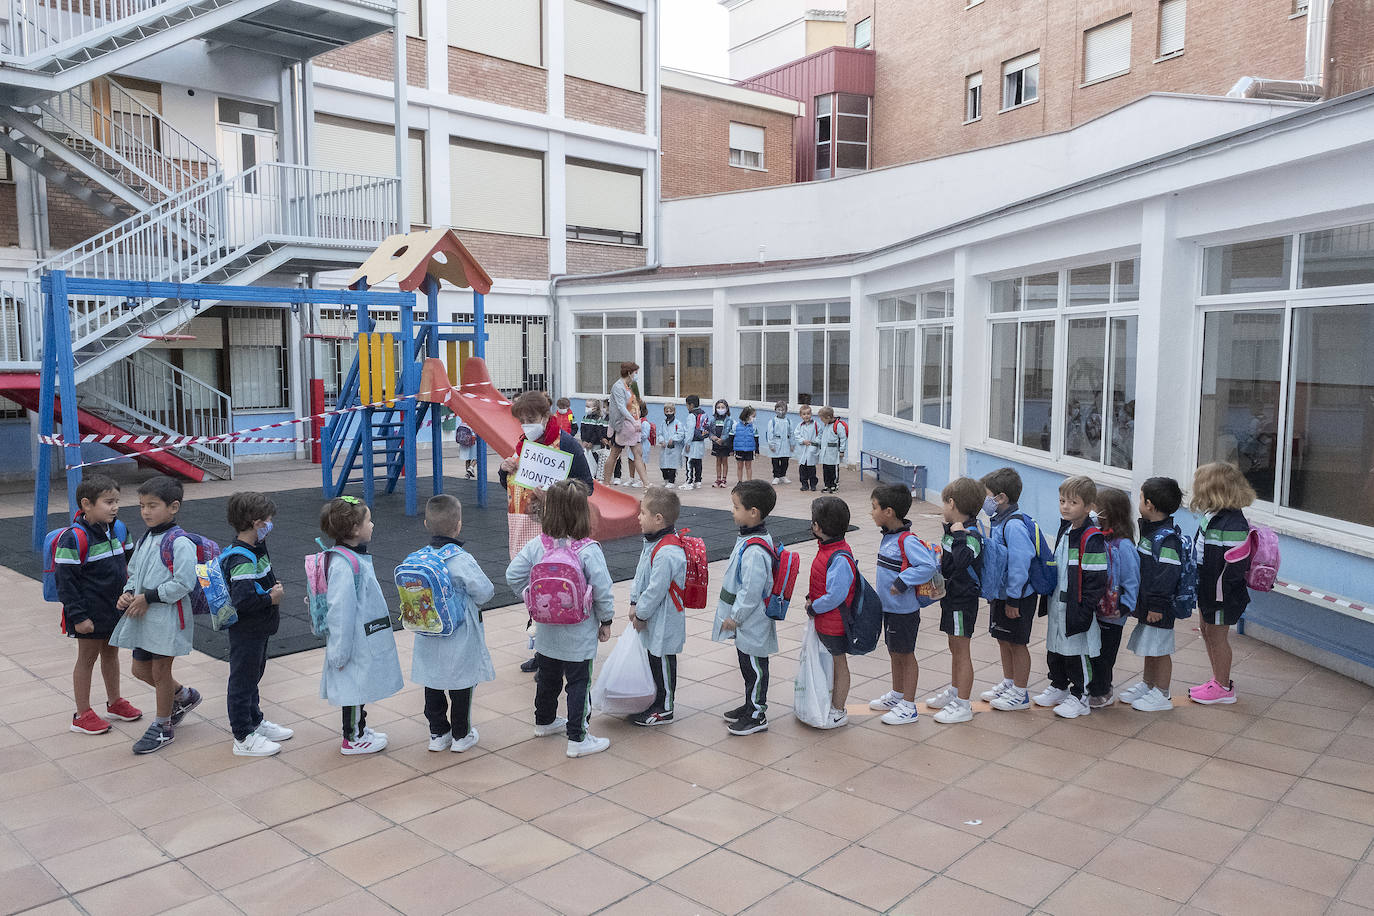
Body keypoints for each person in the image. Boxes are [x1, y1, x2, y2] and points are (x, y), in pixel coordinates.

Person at [506, 480, 616, 757]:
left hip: (545, 632)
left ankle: (544, 722)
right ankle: (578, 739)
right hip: (579, 632)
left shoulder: (537, 545)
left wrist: (533, 600)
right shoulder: (588, 550)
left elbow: (512, 575)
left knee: (548, 679)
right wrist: (606, 621)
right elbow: (603, 590)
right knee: (579, 682)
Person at [500, 390, 596, 674]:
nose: (526, 425)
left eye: (531, 419)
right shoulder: (523, 444)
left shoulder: (566, 445)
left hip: (556, 530)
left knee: (556, 588)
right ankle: (543, 651)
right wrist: (504, 470)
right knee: (536, 592)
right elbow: (511, 486)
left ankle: (558, 652)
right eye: (522, 420)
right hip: (522, 529)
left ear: (545, 416)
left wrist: (556, 494)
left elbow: (586, 486)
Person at [110, 476, 203, 754]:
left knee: (161, 671)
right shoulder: (146, 538)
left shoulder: (180, 542)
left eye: (153, 505)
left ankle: (163, 726)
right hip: (143, 617)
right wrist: (128, 592)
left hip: (167, 619)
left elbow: (184, 582)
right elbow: (134, 571)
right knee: (140, 670)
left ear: (173, 507)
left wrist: (148, 597)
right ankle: (185, 697)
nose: (146, 512)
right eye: (142, 506)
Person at [54, 474, 142, 736]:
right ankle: (82, 714)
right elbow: (66, 583)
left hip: (113, 608)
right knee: (87, 658)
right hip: (88, 612)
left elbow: (133, 563)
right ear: (86, 504)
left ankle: (114, 703)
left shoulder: (119, 529)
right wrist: (79, 617)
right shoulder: (73, 538)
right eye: (108, 502)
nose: (115, 507)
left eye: (116, 501)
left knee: (111, 654)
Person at [318, 496, 402, 754]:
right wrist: (340, 651)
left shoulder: (348, 558)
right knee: (353, 687)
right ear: (355, 530)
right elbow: (340, 609)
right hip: (352, 640)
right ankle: (352, 738)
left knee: (360, 682)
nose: (373, 525)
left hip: (359, 637)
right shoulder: (345, 565)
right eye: (368, 521)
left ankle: (359, 727)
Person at [412, 494, 496, 752]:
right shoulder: (460, 558)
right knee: (462, 681)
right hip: (460, 632)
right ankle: (462, 734)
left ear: (426, 524)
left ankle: (438, 733)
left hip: (428, 632)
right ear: (458, 525)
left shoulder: (417, 558)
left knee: (433, 680)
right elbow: (485, 591)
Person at [221, 491, 293, 757]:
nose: (270, 524)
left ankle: (255, 721)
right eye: (268, 520)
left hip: (258, 629)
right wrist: (270, 598)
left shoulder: (255, 547)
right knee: (242, 681)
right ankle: (243, 735)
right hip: (247, 629)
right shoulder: (242, 558)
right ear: (256, 522)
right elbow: (243, 599)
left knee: (253, 676)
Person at [1034, 475, 1107, 720]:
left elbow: (1096, 580)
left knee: (1077, 651)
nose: (1065, 506)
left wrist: (1085, 609)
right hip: (1058, 602)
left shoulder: (1091, 538)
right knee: (1055, 648)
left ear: (1088, 507)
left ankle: (1081, 696)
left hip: (1077, 606)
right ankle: (1058, 685)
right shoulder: (1066, 528)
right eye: (1062, 500)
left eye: (1073, 502)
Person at [867, 484, 937, 725]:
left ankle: (909, 705)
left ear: (889, 512)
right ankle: (897, 695)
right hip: (890, 610)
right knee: (894, 652)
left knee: (905, 655)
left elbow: (927, 566)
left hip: (904, 612)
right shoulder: (890, 537)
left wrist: (902, 581)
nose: (871, 512)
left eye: (874, 507)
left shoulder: (906, 540)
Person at [712, 480, 779, 735]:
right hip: (745, 620)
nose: (732, 511)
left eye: (736, 507)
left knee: (756, 666)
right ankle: (749, 704)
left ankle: (757, 713)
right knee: (747, 663)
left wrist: (736, 617)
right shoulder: (750, 537)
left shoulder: (755, 550)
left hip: (752, 619)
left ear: (753, 513)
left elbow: (751, 589)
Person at [1189, 462, 1254, 705]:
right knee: (1207, 632)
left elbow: (1235, 568)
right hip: (1207, 588)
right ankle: (1217, 680)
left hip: (1221, 594)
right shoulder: (1213, 516)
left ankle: (1224, 686)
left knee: (1217, 637)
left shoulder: (1234, 524)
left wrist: (1220, 592)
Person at [924, 477, 985, 725]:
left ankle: (963, 703)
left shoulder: (970, 535)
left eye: (944, 503)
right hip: (951, 598)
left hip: (963, 601)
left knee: (962, 650)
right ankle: (955, 690)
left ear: (952, 503)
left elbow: (962, 561)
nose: (943, 508)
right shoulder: (953, 531)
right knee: (953, 647)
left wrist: (958, 536)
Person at [1120, 477, 1184, 713]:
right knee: (1150, 647)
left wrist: (1157, 605)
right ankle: (1148, 685)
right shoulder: (1152, 532)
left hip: (1160, 606)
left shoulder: (1166, 539)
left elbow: (1167, 575)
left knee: (1160, 649)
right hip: (1149, 603)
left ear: (1149, 504)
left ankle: (1163, 693)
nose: (1138, 502)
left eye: (1140, 497)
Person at [627, 488, 687, 726]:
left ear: (658, 518)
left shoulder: (668, 551)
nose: (638, 517)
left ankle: (666, 707)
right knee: (654, 657)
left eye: (642, 513)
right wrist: (634, 601)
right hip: (652, 615)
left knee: (662, 659)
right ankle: (656, 700)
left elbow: (655, 590)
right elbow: (641, 574)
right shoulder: (653, 543)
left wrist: (640, 612)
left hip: (664, 617)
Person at [979, 467, 1038, 711]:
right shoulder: (999, 521)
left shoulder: (1013, 525)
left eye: (987, 495)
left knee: (1017, 642)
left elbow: (1020, 564)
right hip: (1002, 594)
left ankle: (1020, 692)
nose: (984, 501)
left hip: (1018, 596)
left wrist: (1014, 598)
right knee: (1003, 638)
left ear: (1001, 498)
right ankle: (1009, 681)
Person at [1085, 488, 1140, 709]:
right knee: (1091, 651)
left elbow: (1132, 580)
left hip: (1112, 614)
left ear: (1108, 513)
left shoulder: (1123, 546)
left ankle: (1103, 690)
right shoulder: (1098, 539)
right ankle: (1091, 686)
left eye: (1095, 508)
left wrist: (1125, 606)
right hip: (1094, 609)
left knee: (1105, 655)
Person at [807, 496, 858, 729]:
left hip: (834, 622)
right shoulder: (828, 549)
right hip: (825, 621)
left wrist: (814, 607)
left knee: (839, 664)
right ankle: (829, 702)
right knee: (829, 663)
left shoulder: (839, 557)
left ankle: (838, 710)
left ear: (818, 527)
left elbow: (835, 596)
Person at [602, 361, 640, 486]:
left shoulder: (630, 386)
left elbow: (634, 403)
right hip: (619, 425)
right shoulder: (618, 386)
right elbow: (621, 407)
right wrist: (633, 420)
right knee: (614, 454)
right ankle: (606, 482)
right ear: (629, 373)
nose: (636, 375)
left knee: (635, 453)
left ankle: (645, 483)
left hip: (629, 425)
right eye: (635, 372)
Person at [817, 406, 846, 493]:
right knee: (826, 470)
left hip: (834, 453)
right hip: (825, 453)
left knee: (833, 470)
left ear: (828, 417)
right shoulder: (826, 425)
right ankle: (827, 485)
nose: (821, 421)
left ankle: (834, 485)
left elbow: (843, 438)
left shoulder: (838, 426)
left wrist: (842, 450)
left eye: (822, 419)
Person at [682, 394, 707, 490]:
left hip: (692, 443)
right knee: (698, 462)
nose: (687, 407)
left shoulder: (691, 415)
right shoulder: (703, 414)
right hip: (701, 442)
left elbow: (690, 430)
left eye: (687, 405)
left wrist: (687, 443)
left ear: (691, 405)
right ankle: (698, 481)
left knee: (689, 462)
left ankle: (689, 481)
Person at [765, 401, 794, 485]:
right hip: (776, 443)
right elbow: (770, 434)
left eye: (783, 409)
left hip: (786, 444)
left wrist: (792, 444)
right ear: (775, 410)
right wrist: (771, 444)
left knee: (785, 460)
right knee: (775, 461)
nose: (781, 411)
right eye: (779, 409)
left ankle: (783, 475)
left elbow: (791, 433)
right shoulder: (772, 421)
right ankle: (776, 476)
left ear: (786, 411)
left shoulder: (788, 421)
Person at [708, 399, 735, 488]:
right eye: (718, 407)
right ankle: (718, 479)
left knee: (724, 461)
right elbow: (710, 432)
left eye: (722, 407)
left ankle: (724, 479)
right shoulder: (713, 420)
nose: (720, 409)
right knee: (718, 461)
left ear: (727, 409)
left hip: (725, 444)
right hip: (716, 444)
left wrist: (723, 440)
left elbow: (731, 432)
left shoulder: (730, 420)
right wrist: (714, 438)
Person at [579, 399, 608, 480]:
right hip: (586, 444)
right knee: (587, 460)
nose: (586, 408)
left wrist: (591, 442)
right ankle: (589, 474)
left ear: (595, 408)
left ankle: (596, 476)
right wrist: (583, 440)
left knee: (596, 460)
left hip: (595, 444)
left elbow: (596, 432)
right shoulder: (585, 417)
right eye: (586, 406)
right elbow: (582, 430)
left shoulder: (598, 418)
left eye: (588, 406)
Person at [658, 403, 687, 485]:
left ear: (674, 411)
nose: (668, 413)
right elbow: (660, 433)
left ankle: (671, 481)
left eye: (670, 411)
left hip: (674, 448)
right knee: (663, 465)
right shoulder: (663, 423)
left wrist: (673, 439)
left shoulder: (678, 423)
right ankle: (666, 479)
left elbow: (681, 434)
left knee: (672, 466)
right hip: (665, 448)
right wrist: (661, 440)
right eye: (666, 411)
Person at [795, 404, 821, 492]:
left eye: (808, 414)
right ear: (801, 415)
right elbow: (797, 435)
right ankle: (804, 484)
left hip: (811, 449)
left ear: (811, 414)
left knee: (812, 470)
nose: (806, 416)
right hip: (803, 450)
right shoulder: (800, 426)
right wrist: (802, 441)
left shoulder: (816, 425)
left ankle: (813, 484)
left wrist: (815, 442)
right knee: (802, 470)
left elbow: (820, 435)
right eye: (804, 414)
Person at [733, 405, 758, 482]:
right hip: (739, 449)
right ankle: (740, 481)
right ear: (747, 416)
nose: (754, 418)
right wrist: (731, 449)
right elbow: (731, 438)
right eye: (753, 416)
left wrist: (757, 451)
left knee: (748, 466)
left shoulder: (753, 427)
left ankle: (749, 482)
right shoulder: (736, 425)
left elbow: (756, 439)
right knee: (740, 466)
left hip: (749, 449)